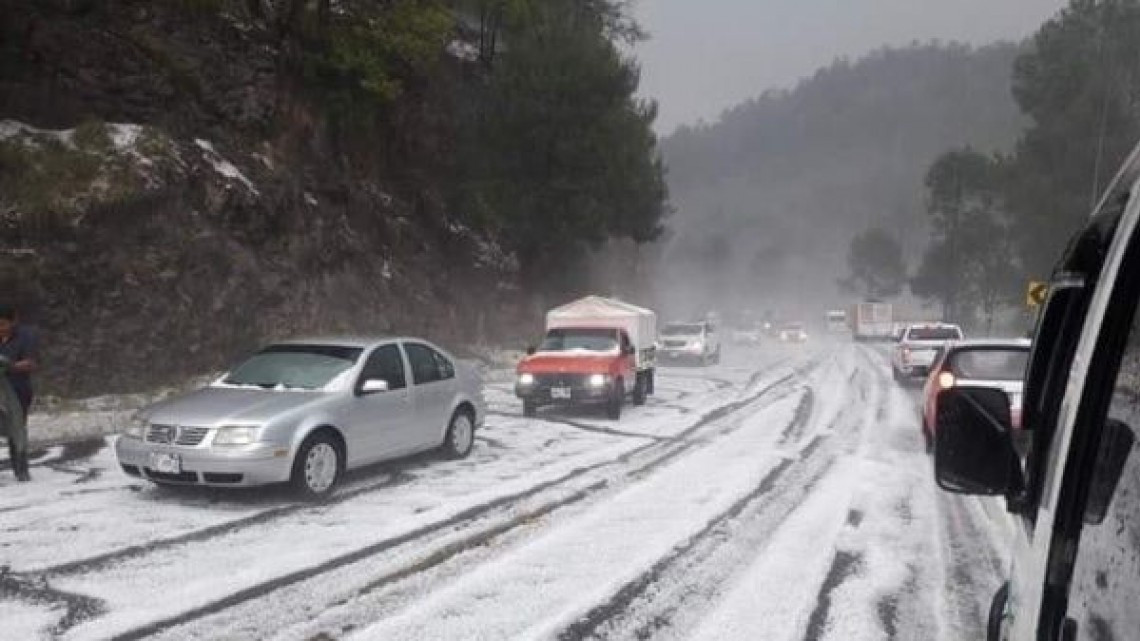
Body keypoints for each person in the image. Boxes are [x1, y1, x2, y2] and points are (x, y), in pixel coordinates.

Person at [0, 305, 38, 482]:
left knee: (17, 428)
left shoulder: (26, 336)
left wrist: (10, 365)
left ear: (13, 321)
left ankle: (21, 468)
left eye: (3, 324)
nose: (0, 329)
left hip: (17, 387)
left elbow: (31, 363)